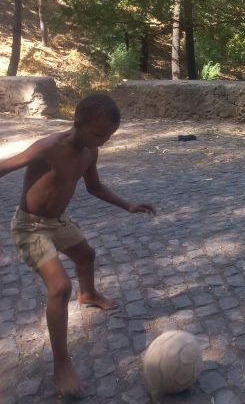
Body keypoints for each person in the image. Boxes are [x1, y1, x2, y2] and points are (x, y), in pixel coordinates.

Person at [1, 94, 156, 397]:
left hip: (58, 221)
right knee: (59, 287)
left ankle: (89, 294)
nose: (104, 141)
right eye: (99, 134)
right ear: (77, 123)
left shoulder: (90, 152)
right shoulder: (49, 148)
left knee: (86, 255)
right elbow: (6, 165)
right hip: (30, 226)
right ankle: (61, 365)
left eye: (109, 136)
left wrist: (128, 205)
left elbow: (94, 187)